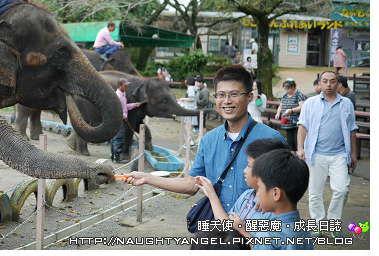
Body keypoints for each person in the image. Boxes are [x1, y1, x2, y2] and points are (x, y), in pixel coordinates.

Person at [121, 65, 287, 220]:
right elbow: (192, 184)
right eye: (221, 95)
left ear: (249, 97)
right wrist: (146, 178)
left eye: (234, 94)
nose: (226, 101)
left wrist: (268, 193)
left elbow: (289, 188)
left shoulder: (271, 139)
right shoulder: (209, 140)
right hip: (218, 232)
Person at [194, 137, 288, 245]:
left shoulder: (272, 210)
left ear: (266, 170)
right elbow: (227, 225)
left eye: (248, 166)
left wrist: (241, 231)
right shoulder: (247, 196)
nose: (245, 170)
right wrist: (211, 194)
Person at [297, 69, 358, 234]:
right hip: (316, 154)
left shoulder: (346, 104)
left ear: (338, 84)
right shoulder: (311, 103)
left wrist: (353, 153)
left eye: (332, 81)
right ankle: (317, 226)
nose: (328, 84)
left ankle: (332, 224)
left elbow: (352, 130)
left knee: (342, 189)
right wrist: (300, 148)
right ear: (320, 84)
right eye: (325, 81)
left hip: (339, 154)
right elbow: (303, 126)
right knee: (315, 192)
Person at [249, 148, 313, 250]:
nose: (258, 194)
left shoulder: (267, 234)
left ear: (276, 193)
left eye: (259, 187)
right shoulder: (304, 230)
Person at [110, 78, 144, 163]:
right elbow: (116, 109)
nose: (126, 87)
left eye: (126, 85)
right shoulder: (117, 95)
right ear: (119, 86)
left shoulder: (123, 94)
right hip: (119, 119)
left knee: (115, 137)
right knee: (119, 137)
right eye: (124, 85)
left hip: (121, 118)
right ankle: (116, 157)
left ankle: (113, 156)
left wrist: (134, 105)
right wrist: (123, 116)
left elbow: (125, 107)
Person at [276, 79, 306, 152]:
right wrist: (278, 113)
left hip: (296, 122)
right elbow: (281, 105)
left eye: (288, 89)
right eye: (285, 89)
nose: (286, 91)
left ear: (293, 88)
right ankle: (292, 156)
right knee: (290, 142)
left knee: (297, 141)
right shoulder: (285, 96)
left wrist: (292, 110)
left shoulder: (298, 95)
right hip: (287, 123)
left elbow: (302, 107)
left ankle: (299, 156)